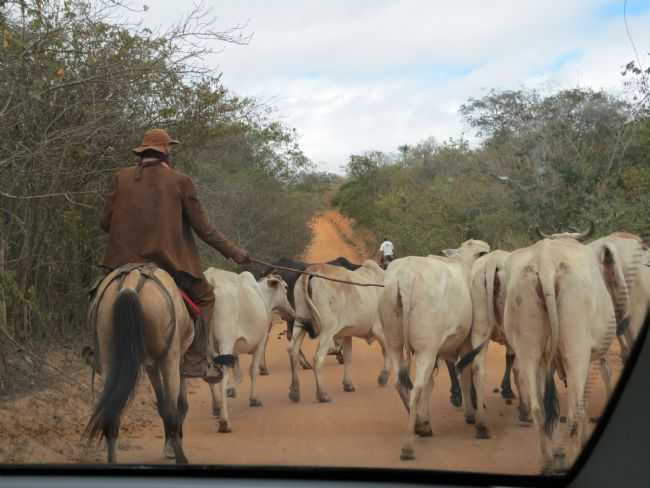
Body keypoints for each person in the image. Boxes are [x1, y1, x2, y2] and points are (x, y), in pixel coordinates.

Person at [99, 128, 250, 382]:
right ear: (166, 151)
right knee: (205, 298)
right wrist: (235, 253)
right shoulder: (180, 181)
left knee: (99, 295)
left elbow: (105, 222)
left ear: (142, 152)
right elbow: (204, 229)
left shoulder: (120, 178)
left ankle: (96, 351)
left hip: (120, 264)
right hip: (168, 266)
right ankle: (195, 359)